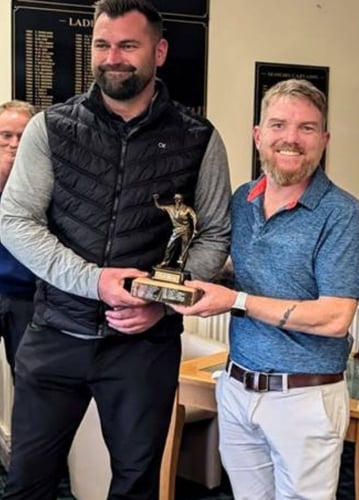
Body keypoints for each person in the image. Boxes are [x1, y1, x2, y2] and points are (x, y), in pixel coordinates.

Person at [0, 0, 231, 497]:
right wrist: (95, 281)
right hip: (55, 334)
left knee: (136, 485)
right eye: (103, 45)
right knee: (26, 484)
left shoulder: (200, 138)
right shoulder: (49, 128)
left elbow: (213, 233)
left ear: (160, 51)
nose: (113, 57)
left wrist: (160, 303)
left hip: (142, 349)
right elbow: (15, 222)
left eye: (129, 45)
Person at [172, 79, 359, 499]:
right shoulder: (243, 199)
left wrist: (236, 301)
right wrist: (197, 280)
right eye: (279, 125)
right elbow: (242, 270)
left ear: (324, 139)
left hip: (304, 397)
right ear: (258, 136)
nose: (291, 139)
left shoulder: (343, 216)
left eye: (306, 128)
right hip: (236, 388)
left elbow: (335, 318)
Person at [0, 100, 36, 378]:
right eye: (5, 135)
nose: (13, 143)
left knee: (27, 377)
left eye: (22, 136)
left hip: (27, 297)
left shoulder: (43, 180)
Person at [154, 192, 198, 269]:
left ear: (182, 200)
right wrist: (155, 200)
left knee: (184, 248)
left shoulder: (187, 208)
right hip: (176, 230)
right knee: (170, 246)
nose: (177, 200)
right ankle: (165, 262)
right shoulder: (171, 208)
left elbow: (194, 217)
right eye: (176, 199)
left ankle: (182, 265)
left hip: (185, 230)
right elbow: (159, 206)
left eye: (179, 199)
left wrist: (195, 229)